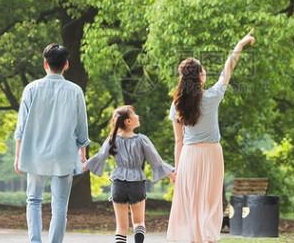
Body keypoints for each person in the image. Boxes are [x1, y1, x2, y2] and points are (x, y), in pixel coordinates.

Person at [167, 29, 256, 242]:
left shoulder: (177, 104)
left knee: (191, 201)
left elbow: (178, 141)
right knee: (209, 201)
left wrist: (177, 170)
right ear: (199, 76)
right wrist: (241, 44)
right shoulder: (213, 96)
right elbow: (228, 68)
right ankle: (206, 238)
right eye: (203, 70)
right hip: (211, 155)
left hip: (189, 156)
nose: (205, 72)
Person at [14, 43, 90, 243]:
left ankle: (35, 241)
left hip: (34, 153)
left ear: (45, 64)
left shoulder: (31, 88)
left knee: (33, 200)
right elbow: (82, 126)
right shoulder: (75, 91)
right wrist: (83, 151)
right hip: (63, 154)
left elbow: (21, 126)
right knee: (60, 206)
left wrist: (18, 155)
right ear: (66, 64)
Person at [85, 105, 175, 243]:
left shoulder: (112, 139)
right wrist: (171, 173)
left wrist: (85, 166)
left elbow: (99, 156)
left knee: (121, 228)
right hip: (137, 183)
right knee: (139, 223)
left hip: (118, 184)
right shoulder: (142, 139)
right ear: (128, 121)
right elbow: (156, 161)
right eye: (134, 114)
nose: (138, 116)